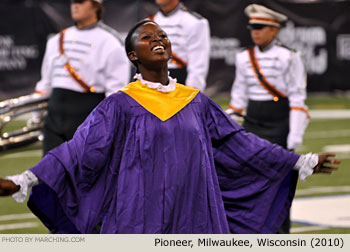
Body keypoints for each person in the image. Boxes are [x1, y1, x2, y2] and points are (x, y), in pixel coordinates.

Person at [0, 20, 340, 234]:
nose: (158, 39)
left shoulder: (196, 101)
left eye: (162, 35)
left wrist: (299, 161)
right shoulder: (120, 103)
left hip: (195, 209)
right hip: (139, 213)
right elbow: (79, 149)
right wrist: (23, 180)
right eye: (146, 38)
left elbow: (239, 143)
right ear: (133, 55)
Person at [226, 4, 309, 233]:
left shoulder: (289, 57)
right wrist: (231, 128)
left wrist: (295, 134)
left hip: (279, 124)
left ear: (274, 29)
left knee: (280, 183)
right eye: (253, 27)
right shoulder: (244, 57)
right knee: (250, 181)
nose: (255, 32)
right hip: (252, 123)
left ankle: (281, 233)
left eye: (261, 27)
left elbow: (297, 97)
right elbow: (239, 95)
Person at [33, 0, 130, 154]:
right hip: (54, 118)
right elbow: (46, 82)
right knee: (49, 173)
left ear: (95, 6)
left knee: (83, 174)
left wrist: (106, 124)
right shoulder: (56, 39)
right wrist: (35, 115)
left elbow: (115, 91)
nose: (74, 5)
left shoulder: (110, 42)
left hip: (87, 118)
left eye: (80, 1)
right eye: (73, 2)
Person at [148, 0, 210, 91]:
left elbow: (198, 63)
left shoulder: (195, 22)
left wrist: (192, 91)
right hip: (151, 81)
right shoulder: (148, 22)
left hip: (180, 81)